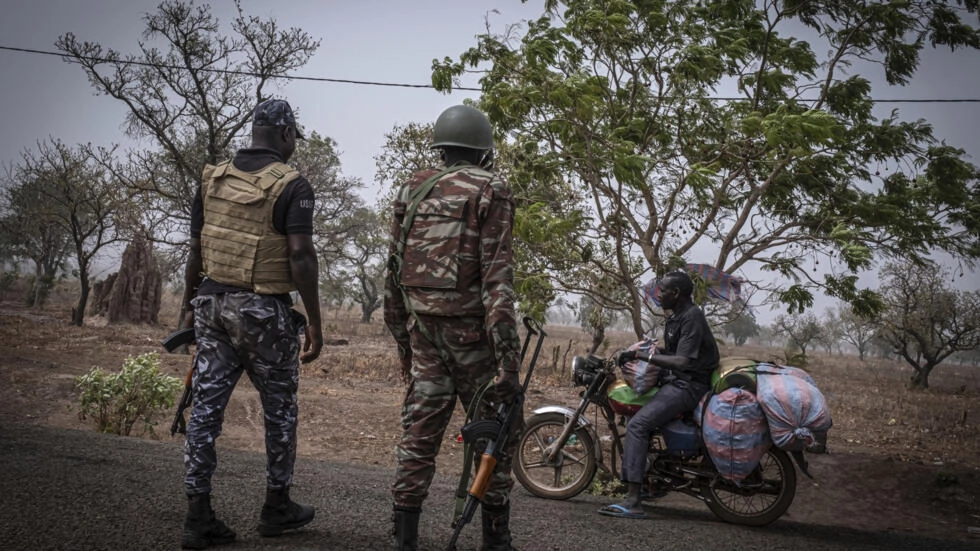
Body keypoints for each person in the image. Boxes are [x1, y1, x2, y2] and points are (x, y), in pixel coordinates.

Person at [178, 98, 324, 549]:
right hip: (262, 313)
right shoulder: (293, 186)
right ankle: (276, 507)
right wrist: (315, 322)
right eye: (295, 134)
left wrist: (187, 304)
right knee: (279, 409)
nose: (295, 142)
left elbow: (197, 253)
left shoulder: (212, 179)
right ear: (285, 134)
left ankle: (198, 516)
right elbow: (300, 256)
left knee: (205, 411)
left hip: (211, 305)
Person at [384, 104, 523, 551]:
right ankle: (495, 541)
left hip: (423, 333)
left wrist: (403, 340)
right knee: (495, 431)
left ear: (441, 148)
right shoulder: (492, 189)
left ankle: (404, 538)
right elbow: (497, 283)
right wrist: (509, 364)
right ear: (484, 152)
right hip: (474, 341)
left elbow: (392, 270)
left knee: (419, 434)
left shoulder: (414, 187)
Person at [598, 270, 718, 519]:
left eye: (663, 290)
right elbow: (673, 350)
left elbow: (683, 360)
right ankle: (650, 482)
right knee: (637, 418)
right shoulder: (678, 317)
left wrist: (643, 356)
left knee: (639, 425)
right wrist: (640, 350)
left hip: (689, 386)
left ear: (676, 293)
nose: (659, 294)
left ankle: (633, 501)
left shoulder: (692, 317)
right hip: (678, 381)